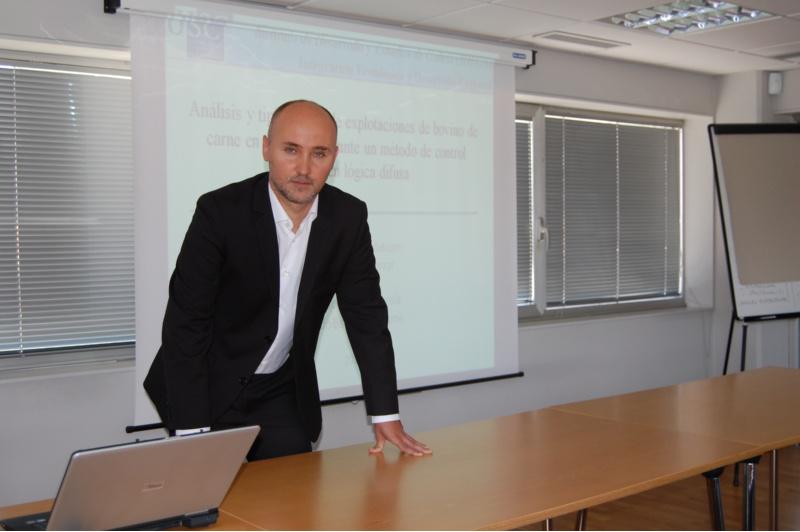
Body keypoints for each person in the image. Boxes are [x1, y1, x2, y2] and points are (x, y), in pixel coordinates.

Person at [144, 100, 431, 460]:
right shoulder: (220, 212)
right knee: (211, 492)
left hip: (280, 390)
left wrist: (385, 413)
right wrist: (191, 429)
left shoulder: (347, 217)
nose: (304, 168)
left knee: (294, 489)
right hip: (207, 384)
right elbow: (186, 323)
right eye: (291, 150)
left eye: (319, 153)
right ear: (266, 148)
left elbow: (366, 316)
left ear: (335, 157)